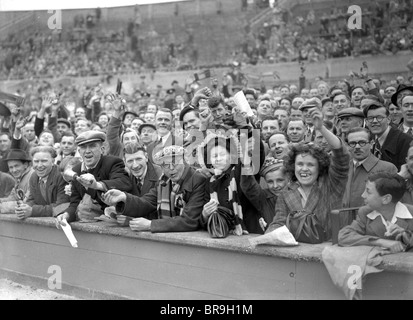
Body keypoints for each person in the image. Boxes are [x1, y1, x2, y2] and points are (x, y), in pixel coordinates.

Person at [266, 107, 350, 243]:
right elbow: (279, 221)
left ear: (320, 167)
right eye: (300, 164)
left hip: (329, 250)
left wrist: (321, 128)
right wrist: (268, 235)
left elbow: (341, 156)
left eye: (310, 165)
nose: (304, 169)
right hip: (296, 252)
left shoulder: (330, 185)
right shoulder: (286, 191)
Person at [103, 145, 208, 233]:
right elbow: (146, 202)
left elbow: (190, 220)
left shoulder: (198, 180)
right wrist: (124, 197)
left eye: (175, 163)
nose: (171, 168)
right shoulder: (164, 181)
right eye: (166, 165)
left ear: (185, 162)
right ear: (161, 168)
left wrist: (151, 225)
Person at [56, 131, 133, 225]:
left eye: (92, 146)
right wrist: (67, 215)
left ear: (102, 149)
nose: (87, 151)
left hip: (114, 223)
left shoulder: (112, 162)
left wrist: (98, 185)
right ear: (79, 152)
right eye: (83, 147)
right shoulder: (76, 170)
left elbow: (124, 183)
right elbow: (75, 203)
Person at [339, 172, 413, 253]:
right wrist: (380, 242)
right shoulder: (365, 213)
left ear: (386, 199)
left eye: (368, 192)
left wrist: (406, 235)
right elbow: (344, 236)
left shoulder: (410, 212)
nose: (363, 195)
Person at [342, 127, 397, 208]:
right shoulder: (342, 168)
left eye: (362, 142)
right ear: (347, 146)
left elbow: (393, 204)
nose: (357, 147)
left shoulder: (387, 168)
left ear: (371, 144)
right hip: (343, 219)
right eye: (352, 143)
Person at [15, 146, 70, 219]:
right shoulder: (34, 176)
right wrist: (23, 209)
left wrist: (33, 211)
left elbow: (62, 207)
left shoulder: (61, 176)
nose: (39, 165)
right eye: (36, 161)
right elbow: (32, 200)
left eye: (44, 161)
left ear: (53, 162)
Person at [241, 157, 290, 232]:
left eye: (280, 180)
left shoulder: (298, 196)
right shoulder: (263, 198)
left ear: (289, 178)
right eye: (270, 182)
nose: (275, 186)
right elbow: (249, 185)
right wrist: (246, 166)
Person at [364, 102, 412, 171]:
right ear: (366, 121)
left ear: (388, 119)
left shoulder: (405, 141)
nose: (374, 121)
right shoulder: (367, 139)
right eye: (370, 118)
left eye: (379, 117)